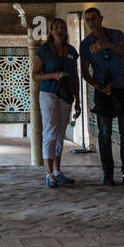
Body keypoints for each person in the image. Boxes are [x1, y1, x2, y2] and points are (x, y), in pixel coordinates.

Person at [80, 7, 124, 186]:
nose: (92, 23)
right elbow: (84, 72)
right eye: (88, 20)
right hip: (102, 92)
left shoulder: (116, 35)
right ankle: (107, 173)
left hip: (122, 88)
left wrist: (109, 45)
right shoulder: (85, 44)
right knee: (104, 133)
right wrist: (99, 86)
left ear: (101, 18)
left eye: (94, 18)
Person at [33, 18, 81, 188]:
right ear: (51, 31)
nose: (59, 30)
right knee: (50, 131)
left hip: (66, 95)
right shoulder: (44, 51)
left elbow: (75, 76)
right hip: (49, 93)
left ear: (66, 31)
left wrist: (78, 100)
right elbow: (35, 75)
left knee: (60, 132)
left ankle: (57, 171)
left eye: (62, 27)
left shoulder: (71, 51)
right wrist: (53, 76)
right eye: (56, 27)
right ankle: (48, 174)